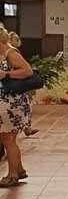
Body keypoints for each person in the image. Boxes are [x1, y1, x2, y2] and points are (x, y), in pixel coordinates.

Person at [0, 27, 34, 188]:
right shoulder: (4, 54)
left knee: (8, 139)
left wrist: (6, 74)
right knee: (8, 139)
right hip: (8, 103)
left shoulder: (10, 53)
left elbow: (27, 71)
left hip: (12, 104)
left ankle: (12, 175)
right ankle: (19, 170)